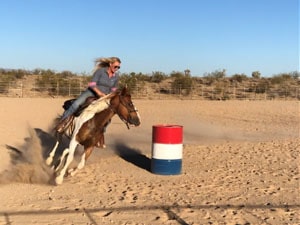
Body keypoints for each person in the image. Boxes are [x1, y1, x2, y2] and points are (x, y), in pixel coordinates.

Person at [55, 56, 121, 132]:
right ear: (110, 64)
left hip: (104, 97)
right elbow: (92, 84)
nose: (116, 69)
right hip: (91, 92)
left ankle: (101, 132)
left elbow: (113, 89)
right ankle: (62, 122)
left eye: (118, 67)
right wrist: (99, 93)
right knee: (76, 104)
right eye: (116, 66)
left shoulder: (116, 77)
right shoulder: (100, 71)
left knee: (108, 114)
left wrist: (111, 95)